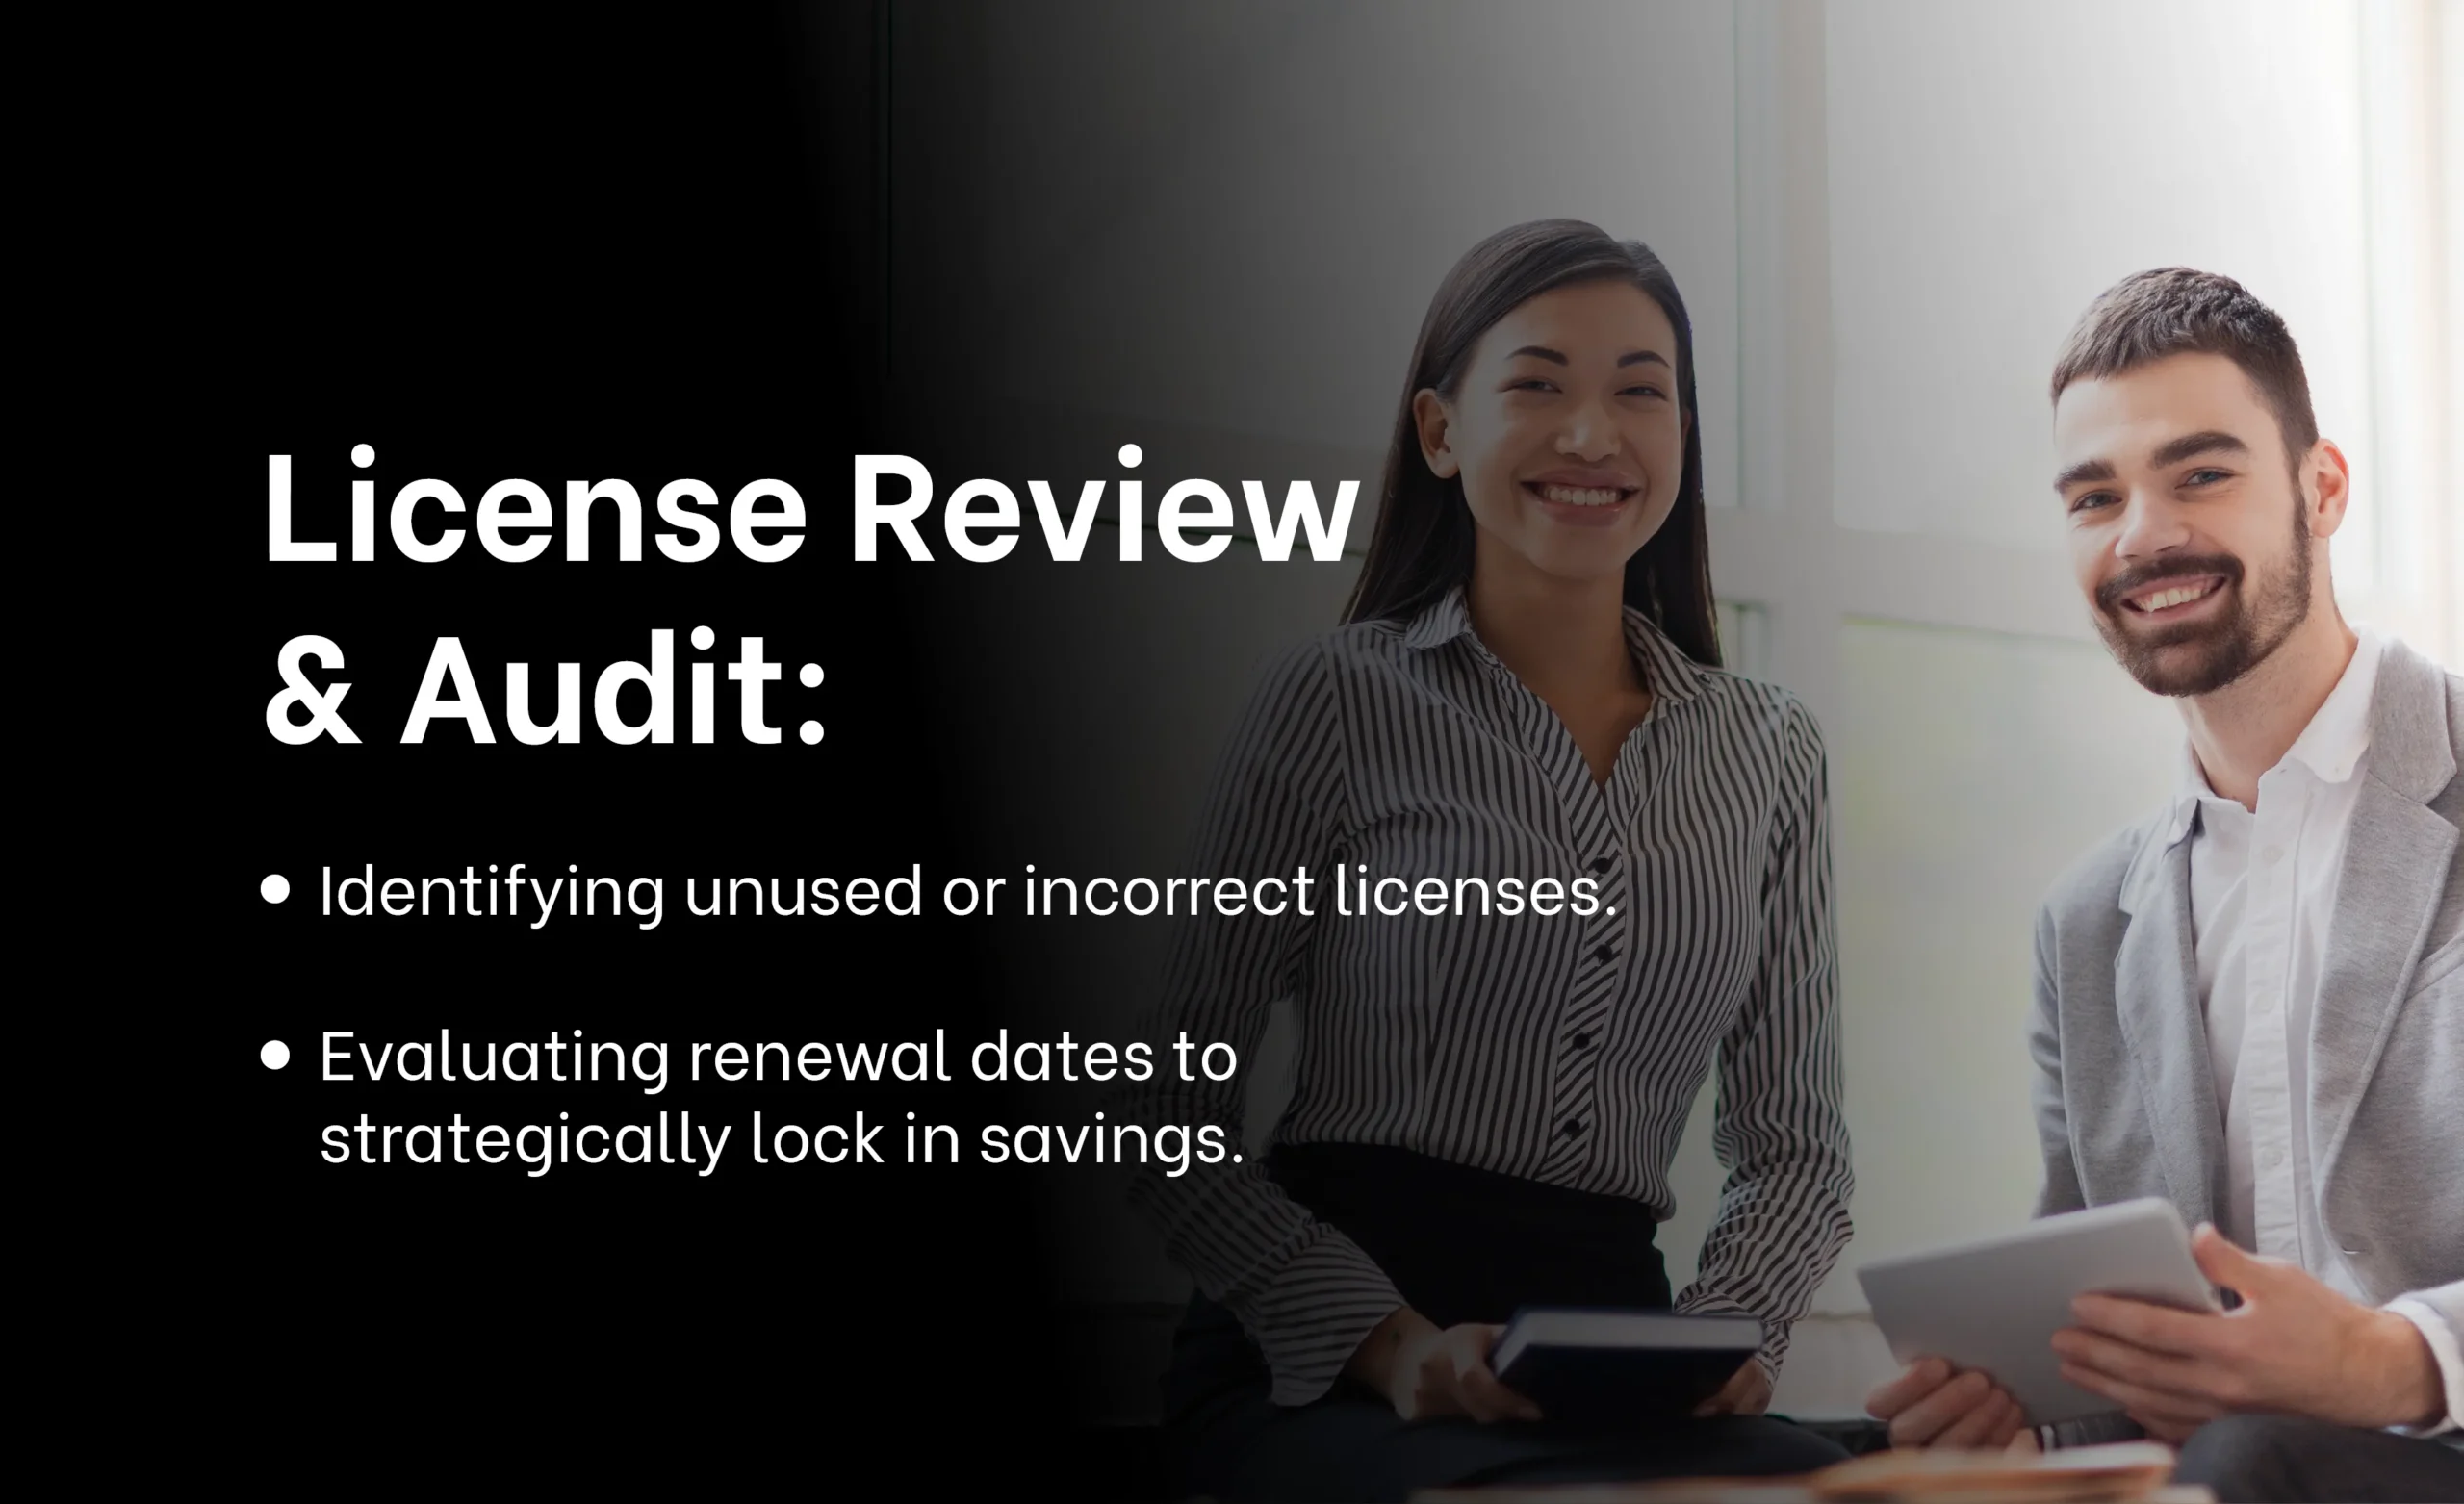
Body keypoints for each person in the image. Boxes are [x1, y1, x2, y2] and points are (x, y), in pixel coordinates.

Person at [1113, 218, 1858, 1503]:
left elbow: (1795, 1147)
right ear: (1441, 431)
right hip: (1335, 1369)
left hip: (1621, 1362)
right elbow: (1157, 1110)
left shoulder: (1769, 749)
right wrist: (1390, 1345)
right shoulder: (1331, 701)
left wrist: (1734, 1329)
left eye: (1641, 390)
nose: (1591, 433)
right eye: (1537, 383)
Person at [1864, 268, 2464, 1503]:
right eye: (2095, 497)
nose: (2141, 535)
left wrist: (2393, 1360)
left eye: (2200, 473)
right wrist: (2019, 1419)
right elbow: (2102, 1361)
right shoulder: (2086, 926)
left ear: (2321, 488)